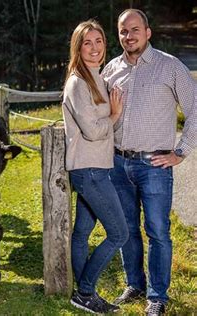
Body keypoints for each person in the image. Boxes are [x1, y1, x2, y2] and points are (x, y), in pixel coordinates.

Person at [101, 9, 197, 316]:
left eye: (134, 29)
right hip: (117, 164)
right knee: (125, 229)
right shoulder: (110, 70)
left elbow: (195, 108)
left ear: (148, 32)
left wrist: (181, 152)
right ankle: (134, 284)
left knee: (157, 230)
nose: (129, 36)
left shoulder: (170, 67)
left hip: (155, 166)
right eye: (123, 31)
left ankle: (157, 296)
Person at [62, 19, 129, 314]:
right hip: (89, 171)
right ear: (78, 48)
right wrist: (114, 116)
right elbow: (91, 129)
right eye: (87, 42)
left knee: (81, 233)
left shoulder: (96, 78)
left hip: (96, 167)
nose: (94, 48)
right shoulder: (78, 81)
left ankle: (81, 292)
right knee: (119, 234)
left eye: (98, 41)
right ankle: (86, 291)